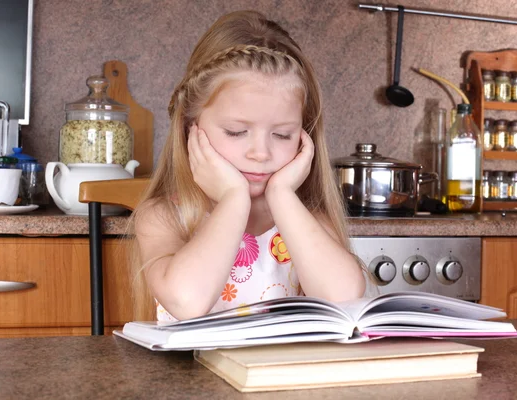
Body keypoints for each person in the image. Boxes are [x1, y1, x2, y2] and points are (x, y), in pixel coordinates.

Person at [131, 10, 371, 322]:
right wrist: (234, 198)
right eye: (236, 132)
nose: (261, 152)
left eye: (282, 134)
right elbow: (187, 301)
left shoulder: (304, 221)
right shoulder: (165, 217)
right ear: (191, 127)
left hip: (280, 373)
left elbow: (343, 300)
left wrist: (283, 195)